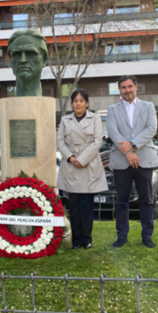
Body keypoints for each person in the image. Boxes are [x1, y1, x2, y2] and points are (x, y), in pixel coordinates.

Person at [106, 75, 158, 249]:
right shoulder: (112, 109)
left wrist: (133, 144)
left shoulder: (148, 106)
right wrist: (129, 153)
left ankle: (147, 235)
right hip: (121, 161)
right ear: (120, 90)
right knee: (122, 201)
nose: (127, 90)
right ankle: (122, 236)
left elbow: (151, 129)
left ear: (136, 87)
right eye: (123, 87)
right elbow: (113, 133)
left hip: (144, 159)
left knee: (146, 199)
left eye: (130, 86)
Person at [56, 89, 108, 250]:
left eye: (81, 100)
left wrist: (82, 159)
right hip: (71, 165)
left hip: (89, 165)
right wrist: (72, 158)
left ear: (87, 103)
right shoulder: (65, 120)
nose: (78, 103)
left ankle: (87, 238)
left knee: (86, 204)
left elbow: (98, 141)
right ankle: (76, 239)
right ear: (72, 103)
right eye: (75, 101)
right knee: (74, 204)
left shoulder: (95, 118)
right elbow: (60, 141)